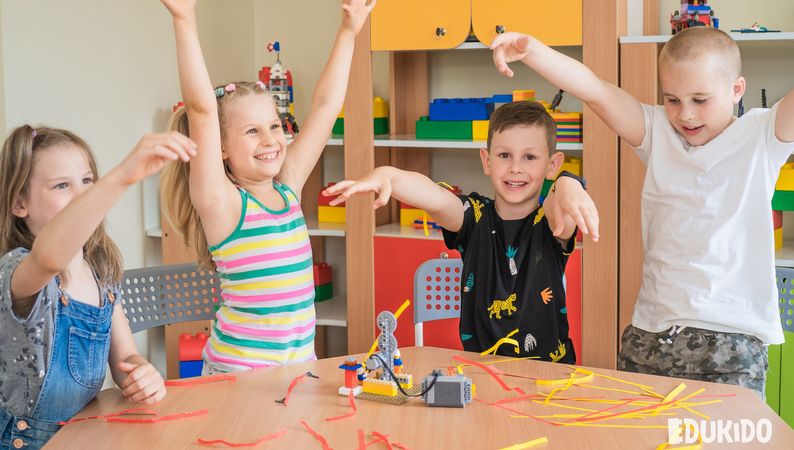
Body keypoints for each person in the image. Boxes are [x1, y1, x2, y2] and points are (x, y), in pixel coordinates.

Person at [490, 26, 794, 394]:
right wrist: (532, 50)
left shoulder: (762, 135)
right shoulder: (658, 131)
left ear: (736, 89)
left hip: (731, 343)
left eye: (700, 100)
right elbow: (596, 91)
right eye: (672, 99)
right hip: (649, 335)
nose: (686, 114)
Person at [159, 0, 376, 373]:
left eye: (274, 126)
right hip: (239, 376)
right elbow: (201, 111)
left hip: (296, 370)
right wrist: (184, 18)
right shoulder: (222, 203)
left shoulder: (287, 187)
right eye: (252, 131)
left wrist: (348, 30)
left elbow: (325, 106)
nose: (270, 140)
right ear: (220, 148)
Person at [325, 101, 598, 361]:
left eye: (530, 157)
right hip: (480, 370)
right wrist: (388, 175)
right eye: (504, 155)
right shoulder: (474, 217)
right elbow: (434, 196)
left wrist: (569, 183)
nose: (516, 168)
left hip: (549, 375)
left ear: (552, 165)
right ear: (487, 161)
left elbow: (560, 200)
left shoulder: (553, 221)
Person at [0, 126, 193, 447]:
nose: (83, 196)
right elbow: (48, 258)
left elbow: (126, 357)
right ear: (20, 203)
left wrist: (141, 374)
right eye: (62, 185)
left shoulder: (100, 270)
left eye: (88, 181)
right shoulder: (18, 269)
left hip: (84, 433)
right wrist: (122, 177)